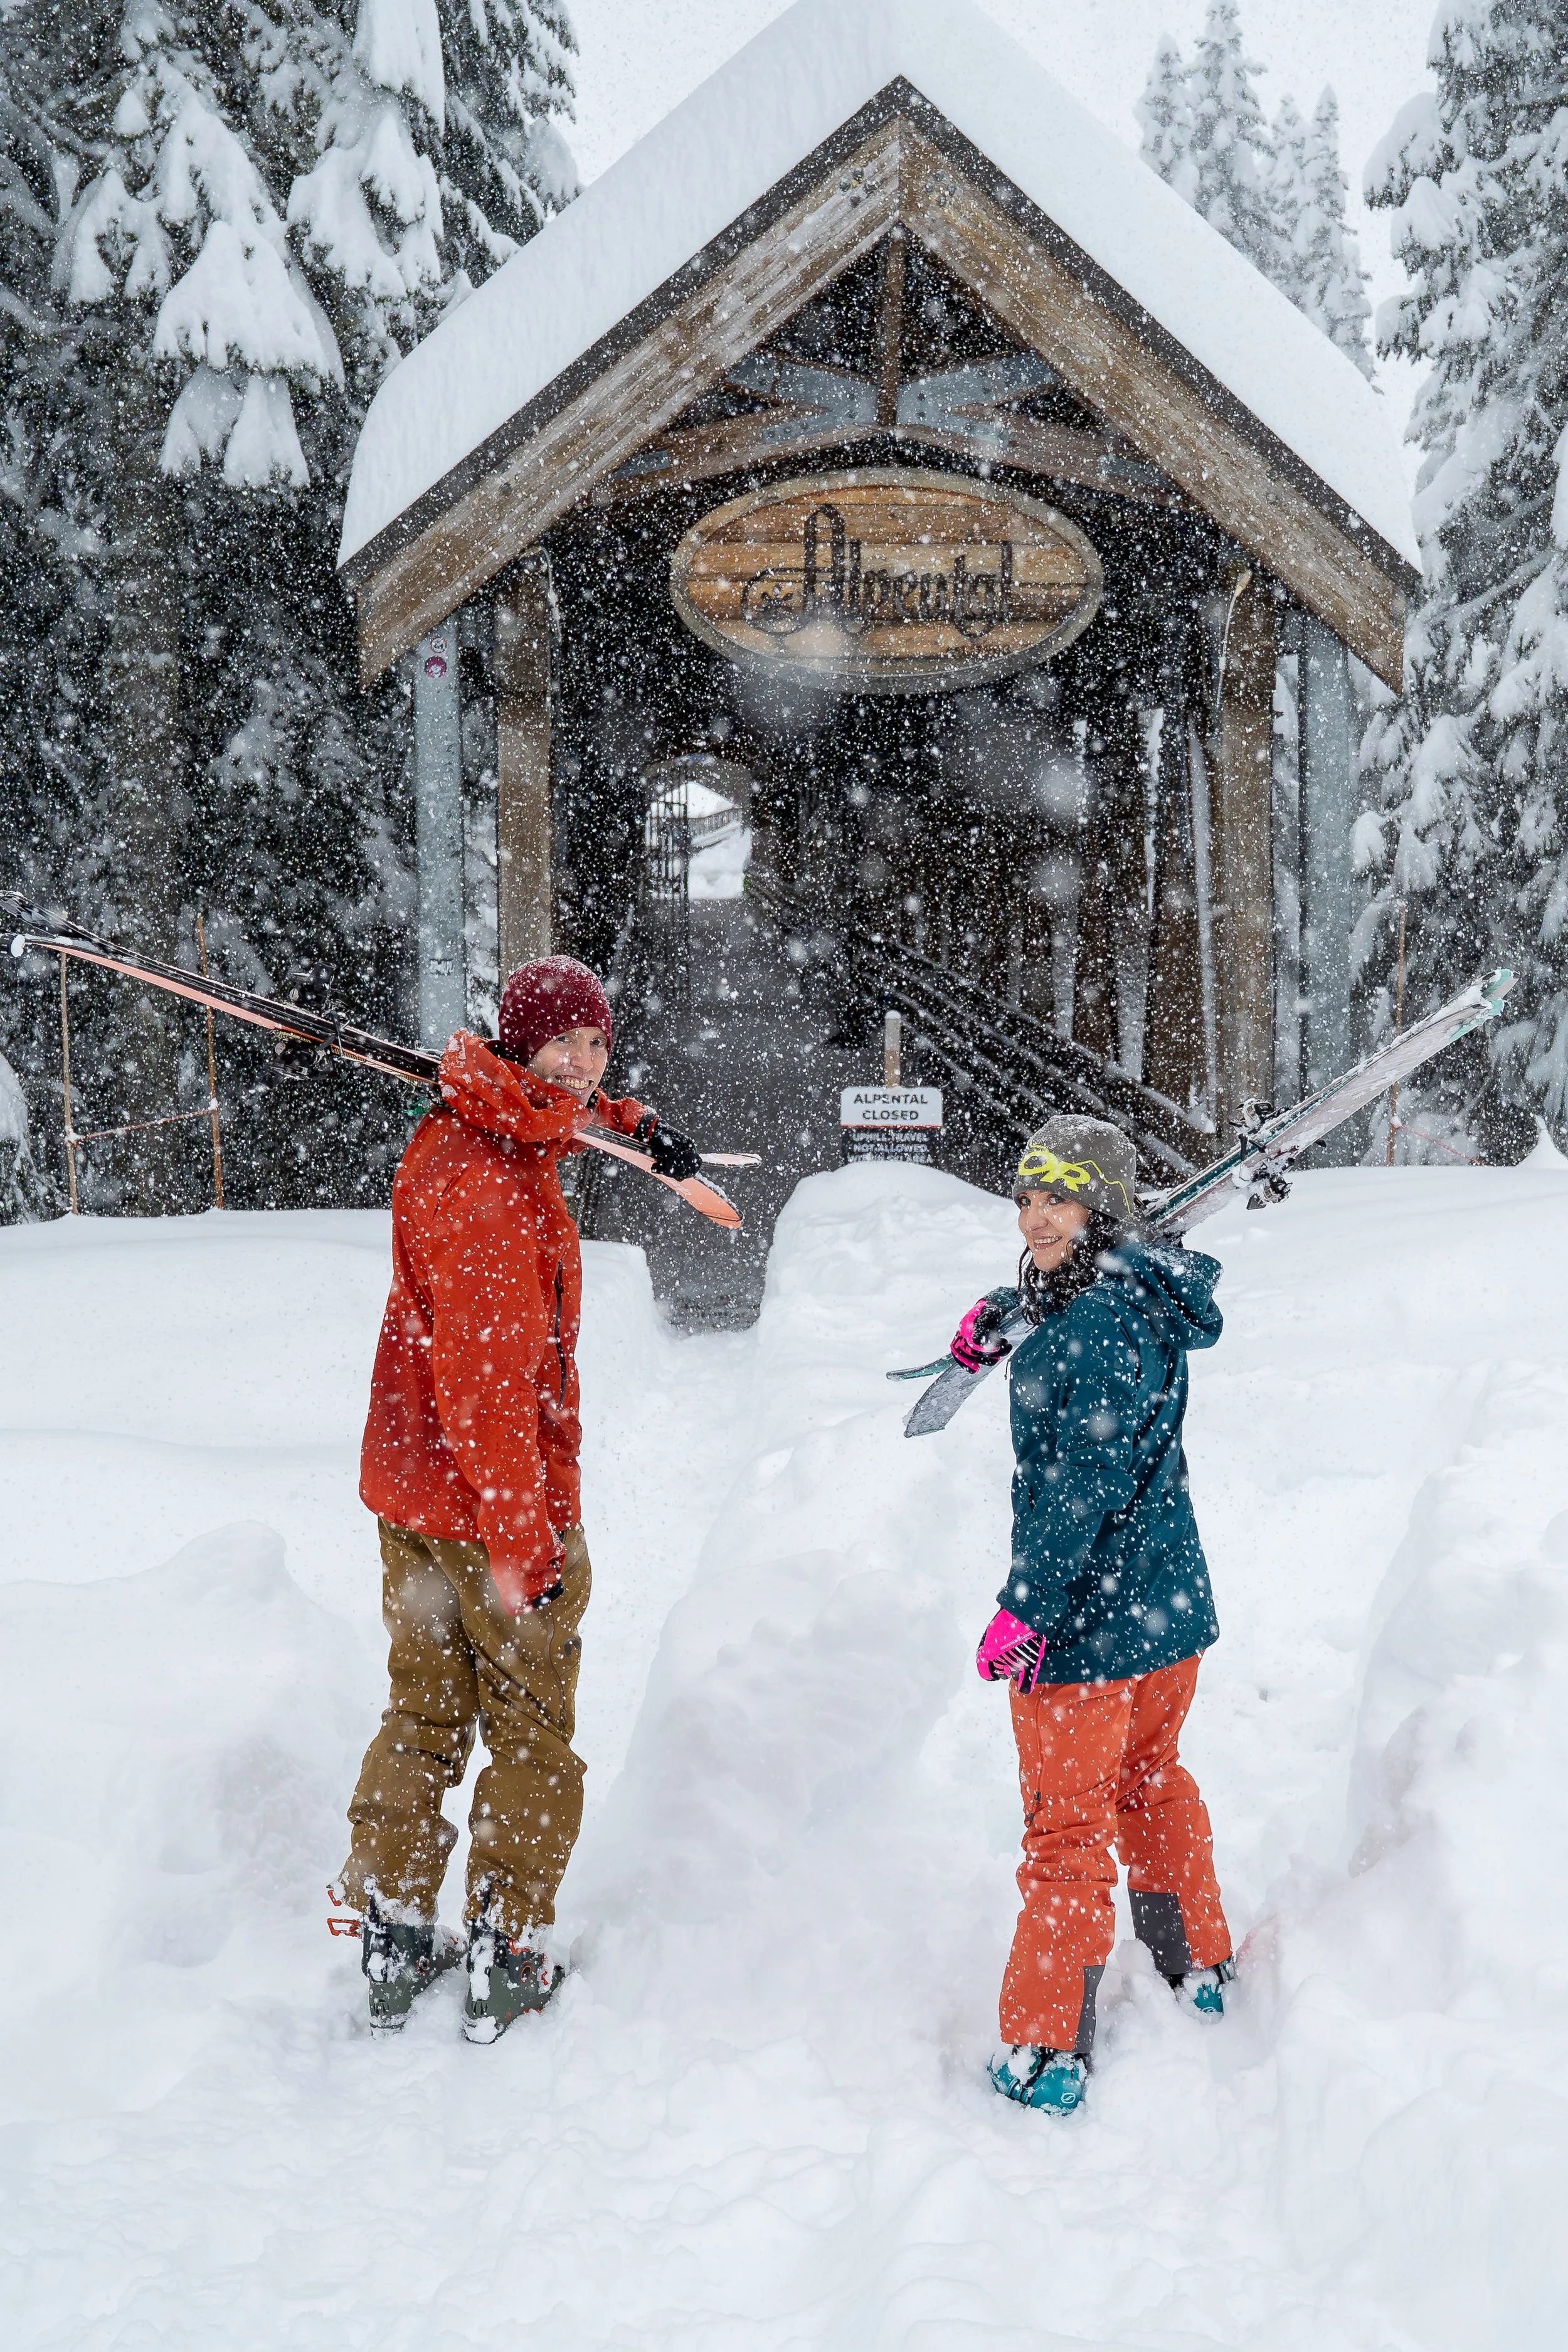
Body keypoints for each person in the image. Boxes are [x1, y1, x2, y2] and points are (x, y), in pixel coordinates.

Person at [329, 954, 702, 2040]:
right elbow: (489, 1391)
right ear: (521, 1045)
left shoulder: (481, 1119)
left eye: (600, 1046)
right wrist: (523, 1541)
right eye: (567, 1045)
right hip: (487, 1507)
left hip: (410, 1497)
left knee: (423, 1713)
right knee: (532, 1733)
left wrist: (638, 1125)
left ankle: (394, 1937)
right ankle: (506, 1949)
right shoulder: (489, 1185)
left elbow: (552, 1111)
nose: (586, 1065)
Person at [954, 1114, 1232, 2115]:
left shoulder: (1099, 1323)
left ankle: (1046, 2044)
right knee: (1149, 1781)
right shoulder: (1134, 1289)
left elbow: (1082, 1481)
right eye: (1026, 1196)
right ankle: (1195, 1958)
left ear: (1099, 1206)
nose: (1034, 1215)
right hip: (1166, 1613)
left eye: (1058, 1197)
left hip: (1088, 1627)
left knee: (1065, 1836)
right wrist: (1000, 1314)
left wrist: (1024, 1608)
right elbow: (1065, 1313)